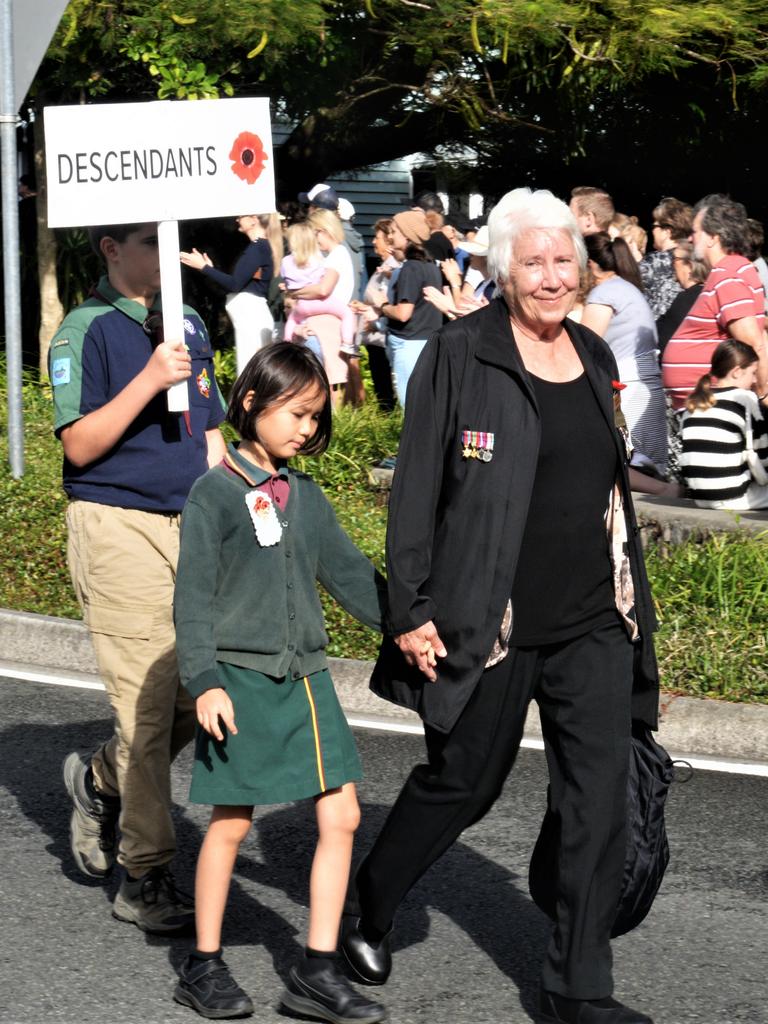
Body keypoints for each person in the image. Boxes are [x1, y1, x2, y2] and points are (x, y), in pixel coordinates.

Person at [340, 188, 659, 1024]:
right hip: (494, 622)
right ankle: (370, 903)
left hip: (594, 619)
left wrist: (638, 618)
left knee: (596, 799)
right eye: (534, 262)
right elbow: (417, 488)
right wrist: (409, 607)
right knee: (463, 784)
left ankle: (577, 990)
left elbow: (609, 493)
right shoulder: (462, 351)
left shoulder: (592, 356)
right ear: (501, 269)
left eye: (564, 260)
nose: (552, 278)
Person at [172, 344, 387, 1023]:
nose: (305, 428)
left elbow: (351, 576)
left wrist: (411, 627)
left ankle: (315, 972)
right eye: (295, 413)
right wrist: (205, 681)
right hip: (237, 681)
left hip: (306, 679)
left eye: (314, 417)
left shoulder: (306, 496)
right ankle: (202, 965)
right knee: (232, 824)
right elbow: (193, 600)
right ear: (250, 405)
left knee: (343, 815)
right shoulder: (216, 493)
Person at [55, 222, 227, 933]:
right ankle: (146, 874)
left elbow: (210, 431)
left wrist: (240, 518)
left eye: (170, 239)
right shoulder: (84, 329)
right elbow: (80, 444)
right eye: (149, 241)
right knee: (148, 710)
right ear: (112, 250)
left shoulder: (188, 318)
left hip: (192, 525)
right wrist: (153, 378)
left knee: (200, 691)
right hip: (116, 524)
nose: (167, 254)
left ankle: (100, 781)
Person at [662, 193, 767, 412]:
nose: (691, 239)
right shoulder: (731, 270)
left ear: (713, 237)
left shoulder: (727, 274)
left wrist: (764, 395)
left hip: (714, 407)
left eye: (694, 232)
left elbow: (752, 342)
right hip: (708, 404)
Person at [581, 232, 668, 475]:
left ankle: (671, 493)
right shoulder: (627, 288)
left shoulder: (604, 293)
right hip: (645, 388)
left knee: (624, 469)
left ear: (590, 265)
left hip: (628, 392)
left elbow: (586, 344)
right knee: (646, 469)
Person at [180, 213, 282, 375]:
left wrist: (204, 268)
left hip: (251, 315)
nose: (237, 219)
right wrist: (209, 270)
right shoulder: (262, 247)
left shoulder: (258, 247)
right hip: (253, 313)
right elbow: (237, 284)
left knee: (250, 371)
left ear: (254, 219)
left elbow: (234, 284)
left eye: (241, 216)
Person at [680, 340, 768, 509]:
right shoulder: (744, 398)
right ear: (736, 372)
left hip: (701, 498)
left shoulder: (695, 401)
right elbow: (763, 454)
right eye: (753, 373)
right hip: (734, 496)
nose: (755, 380)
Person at [369, 209, 442, 406]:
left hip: (409, 344)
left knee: (409, 408)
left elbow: (403, 313)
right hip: (426, 342)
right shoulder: (431, 266)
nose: (389, 237)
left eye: (393, 232)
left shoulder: (411, 267)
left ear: (408, 235)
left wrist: (382, 305)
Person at [287, 209, 360, 404]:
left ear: (325, 230)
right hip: (328, 321)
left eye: (315, 233)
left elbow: (323, 290)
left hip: (327, 323)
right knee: (330, 375)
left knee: (327, 376)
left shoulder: (337, 255)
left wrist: (295, 292)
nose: (314, 240)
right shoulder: (336, 255)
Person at [349, 217, 399, 411]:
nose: (373, 241)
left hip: (382, 335)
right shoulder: (383, 267)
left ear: (388, 241)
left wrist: (374, 316)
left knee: (385, 387)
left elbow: (387, 299)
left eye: (377, 237)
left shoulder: (392, 269)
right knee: (381, 385)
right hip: (374, 336)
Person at [280, 221, 357, 347]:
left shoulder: (286, 261)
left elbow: (286, 279)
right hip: (322, 303)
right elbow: (323, 289)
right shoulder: (317, 258)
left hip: (302, 305)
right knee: (347, 313)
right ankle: (348, 343)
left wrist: (293, 291)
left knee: (292, 319)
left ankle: (287, 341)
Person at [639, 198, 693, 318]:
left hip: (657, 331)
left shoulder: (652, 262)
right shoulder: (695, 260)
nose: (652, 231)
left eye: (654, 226)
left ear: (667, 231)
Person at [655, 241, 708, 355]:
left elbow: (665, 339)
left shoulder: (687, 299)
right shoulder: (707, 294)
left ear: (689, 265)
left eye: (675, 260)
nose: (672, 265)